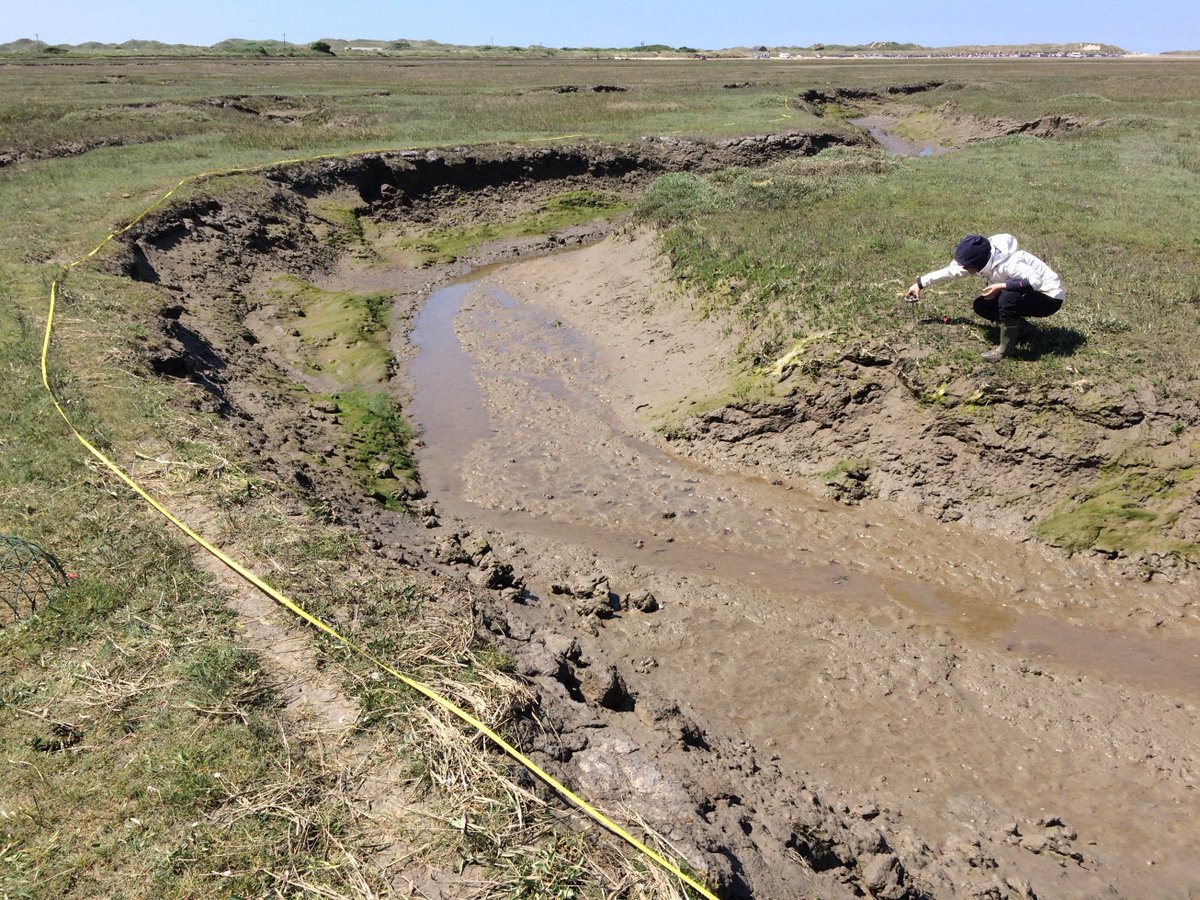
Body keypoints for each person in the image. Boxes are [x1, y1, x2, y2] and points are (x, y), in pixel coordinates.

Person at [905, 233, 1064, 361]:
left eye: (967, 266)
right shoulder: (982, 257)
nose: (964, 268)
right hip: (1024, 292)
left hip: (1048, 298)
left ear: (978, 263)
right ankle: (1027, 331)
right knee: (982, 305)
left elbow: (1035, 282)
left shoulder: (1011, 263)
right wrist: (920, 284)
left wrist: (1001, 286)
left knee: (1006, 298)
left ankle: (1006, 350)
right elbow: (952, 271)